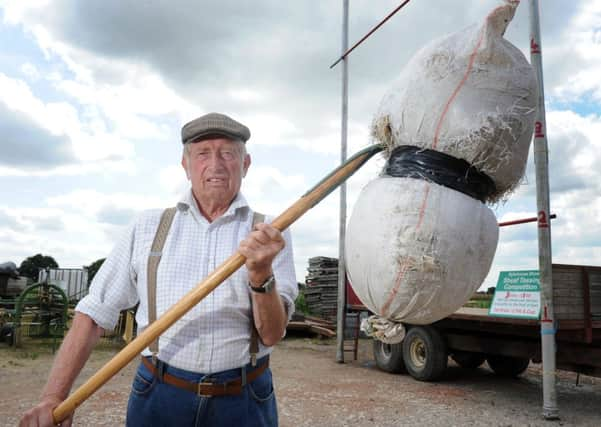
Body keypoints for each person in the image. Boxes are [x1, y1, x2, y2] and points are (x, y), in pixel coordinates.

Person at [20, 112, 298, 427]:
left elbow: (273, 334)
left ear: (245, 164)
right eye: (203, 153)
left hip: (244, 397)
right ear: (186, 165)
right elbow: (93, 314)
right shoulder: (148, 227)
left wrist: (261, 277)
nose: (216, 163)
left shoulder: (270, 233)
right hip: (160, 394)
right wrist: (54, 397)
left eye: (228, 153)